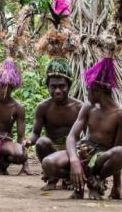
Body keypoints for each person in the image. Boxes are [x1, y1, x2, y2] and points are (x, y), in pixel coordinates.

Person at [42, 58, 122, 199]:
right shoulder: (88, 107)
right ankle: (80, 180)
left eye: (89, 89)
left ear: (97, 91)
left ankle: (95, 180)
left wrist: (117, 186)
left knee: (120, 152)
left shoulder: (119, 114)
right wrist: (74, 161)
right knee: (48, 163)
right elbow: (72, 136)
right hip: (83, 150)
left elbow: (116, 150)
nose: (87, 93)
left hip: (102, 158)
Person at [24, 58, 82, 190]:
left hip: (73, 150)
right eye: (53, 86)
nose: (57, 91)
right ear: (47, 87)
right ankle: (52, 178)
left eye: (62, 86)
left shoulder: (79, 107)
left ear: (69, 86)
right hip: (51, 149)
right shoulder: (43, 107)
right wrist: (28, 141)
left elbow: (89, 134)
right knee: (41, 142)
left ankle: (71, 177)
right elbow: (35, 133)